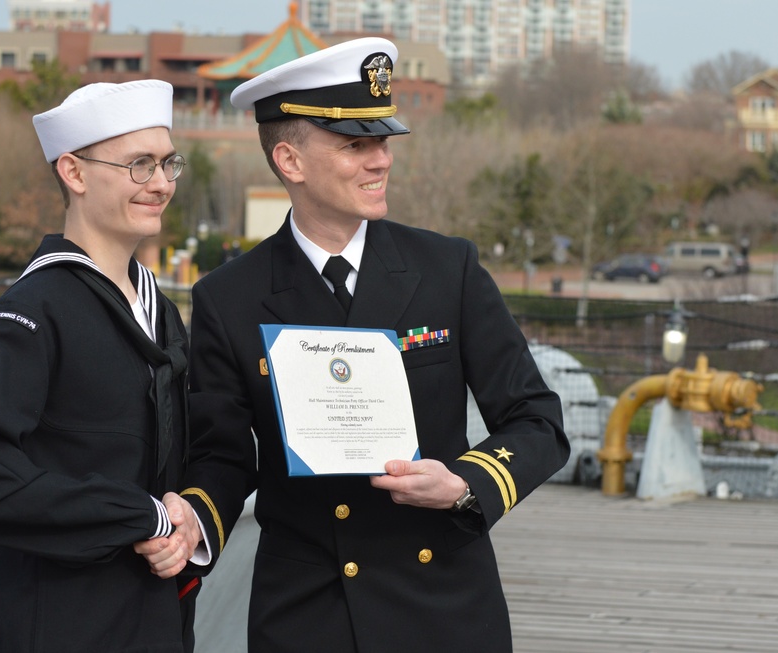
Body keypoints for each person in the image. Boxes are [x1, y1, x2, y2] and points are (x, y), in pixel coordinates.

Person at [183, 38, 570, 652]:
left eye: (383, 141)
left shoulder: (449, 270)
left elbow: (537, 421)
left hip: (442, 607)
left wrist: (467, 483)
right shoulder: (228, 299)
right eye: (355, 145)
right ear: (290, 160)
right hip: (310, 616)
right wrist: (194, 519)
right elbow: (222, 457)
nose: (381, 160)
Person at [0, 80, 211, 653]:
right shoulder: (31, 313)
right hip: (60, 625)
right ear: (74, 173)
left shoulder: (159, 314)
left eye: (166, 164)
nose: (161, 184)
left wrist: (186, 520)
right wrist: (137, 516)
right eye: (139, 165)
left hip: (159, 624)